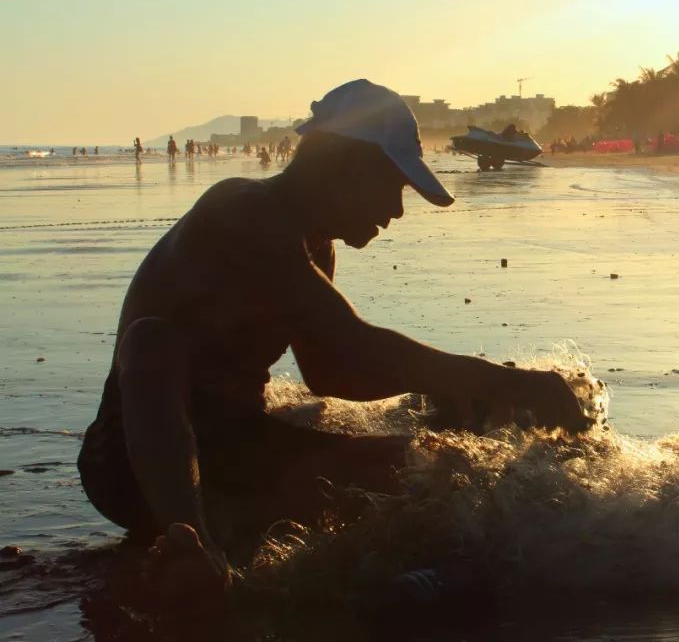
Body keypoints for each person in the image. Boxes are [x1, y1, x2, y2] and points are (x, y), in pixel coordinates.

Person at [76, 79, 590, 598]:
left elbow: (332, 372)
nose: (397, 211)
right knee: (152, 341)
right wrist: (505, 383)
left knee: (432, 469)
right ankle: (188, 541)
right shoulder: (243, 209)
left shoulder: (316, 249)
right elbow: (354, 343)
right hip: (130, 466)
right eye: (393, 186)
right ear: (345, 164)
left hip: (233, 452)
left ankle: (242, 534)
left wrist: (449, 393)